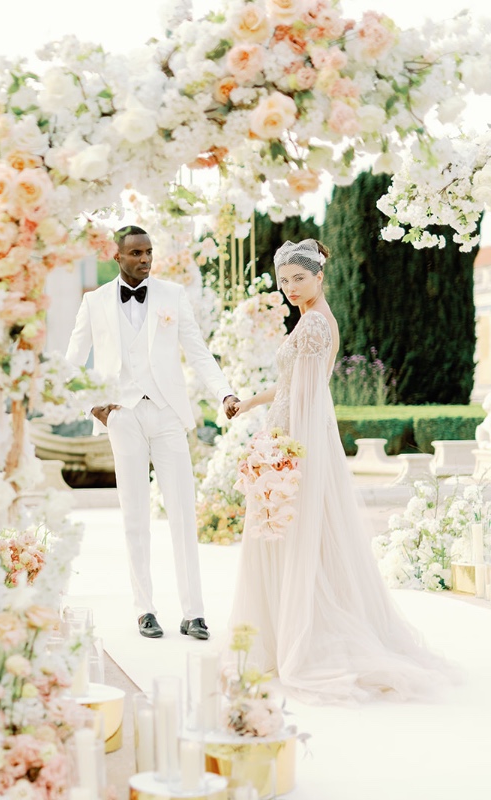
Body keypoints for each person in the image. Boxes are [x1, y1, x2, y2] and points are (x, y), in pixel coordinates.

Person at [228, 239, 456, 703]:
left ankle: (298, 638)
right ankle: (287, 632)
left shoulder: (313, 324)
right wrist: (251, 403)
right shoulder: (313, 320)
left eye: (299, 278)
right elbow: (291, 387)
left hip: (292, 444)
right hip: (286, 439)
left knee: (291, 538)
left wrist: (282, 453)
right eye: (284, 279)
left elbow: (310, 400)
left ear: (319, 276)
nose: (291, 287)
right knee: (291, 540)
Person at [66, 225, 240, 640]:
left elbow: (198, 351)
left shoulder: (172, 296)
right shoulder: (94, 302)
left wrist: (225, 393)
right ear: (118, 257)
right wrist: (92, 406)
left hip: (166, 414)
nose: (145, 259)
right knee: (134, 514)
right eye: (137, 253)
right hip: (121, 415)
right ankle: (144, 609)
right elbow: (71, 363)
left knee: (182, 511)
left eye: (149, 253)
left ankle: (193, 612)